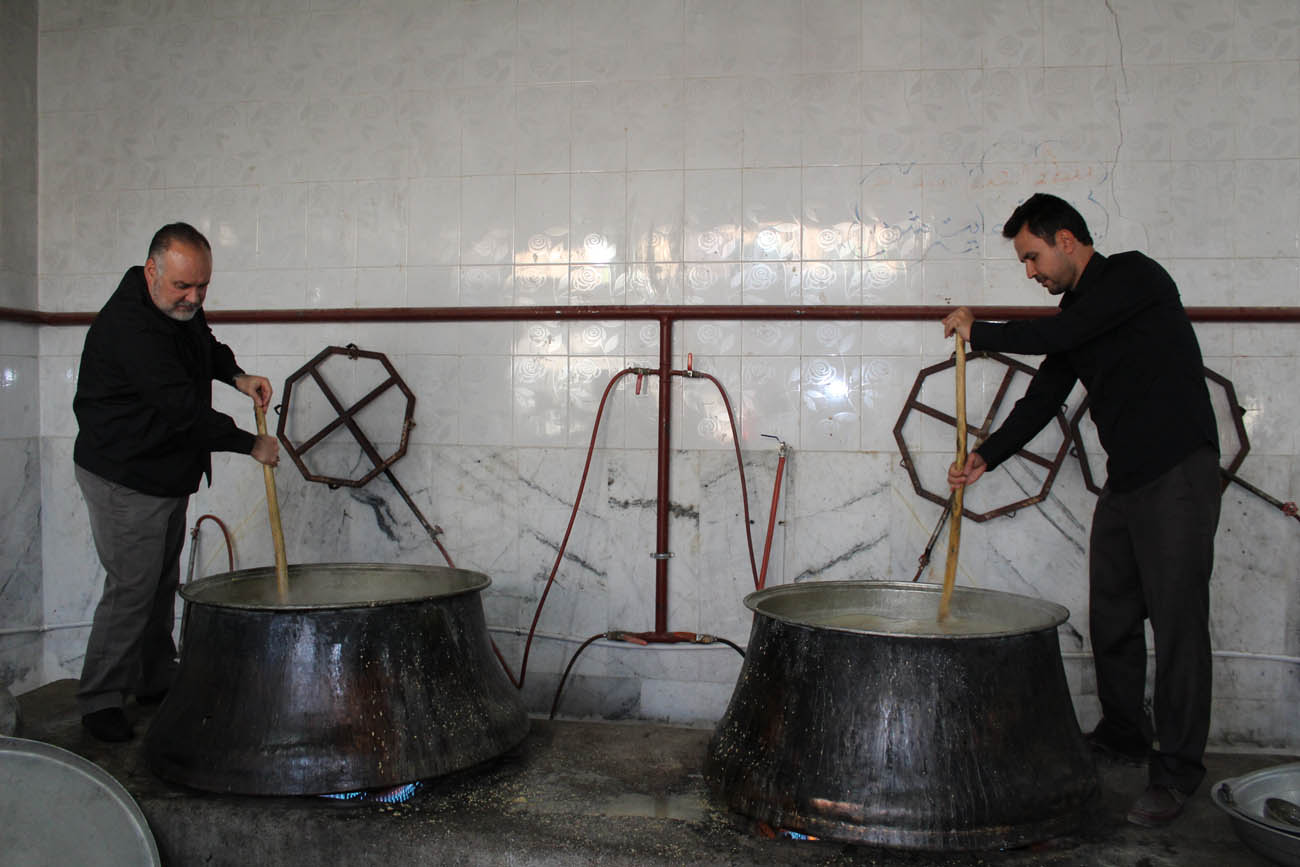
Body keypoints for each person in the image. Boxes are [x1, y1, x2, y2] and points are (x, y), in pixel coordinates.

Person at [941, 193, 1220, 828]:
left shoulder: (1133, 278)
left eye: (1032, 257)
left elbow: (1058, 336)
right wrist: (988, 455)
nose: (1030, 272)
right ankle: (1124, 733)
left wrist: (981, 330)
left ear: (1066, 240)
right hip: (1128, 481)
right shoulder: (1077, 316)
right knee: (1113, 612)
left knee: (1177, 624)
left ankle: (1177, 772)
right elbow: (1045, 394)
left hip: (1178, 471)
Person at [72, 222, 280, 742]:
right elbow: (183, 412)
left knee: (160, 582)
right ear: (152, 270)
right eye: (183, 286)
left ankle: (153, 677)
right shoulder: (131, 329)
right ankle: (100, 700)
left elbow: (203, 345)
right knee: (133, 588)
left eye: (202, 286)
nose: (194, 297)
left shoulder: (174, 305)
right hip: (125, 474)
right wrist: (250, 444)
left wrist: (236, 375)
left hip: (164, 469)